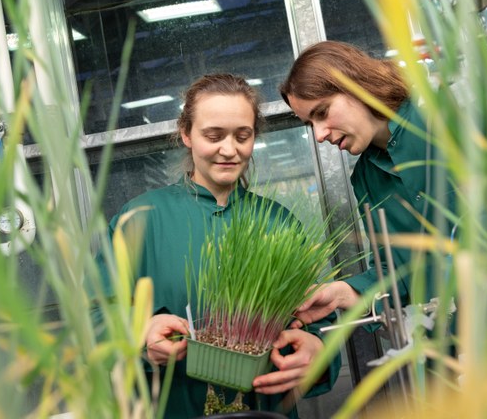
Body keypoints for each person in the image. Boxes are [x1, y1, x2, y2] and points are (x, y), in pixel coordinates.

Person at [106, 74, 340, 418]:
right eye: (213, 135)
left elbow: (318, 314)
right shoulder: (142, 218)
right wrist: (139, 334)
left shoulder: (278, 222)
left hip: (265, 409)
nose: (229, 150)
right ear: (186, 134)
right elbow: (96, 311)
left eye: (242, 136)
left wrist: (317, 347)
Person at [280, 41, 453, 329]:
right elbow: (395, 272)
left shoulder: (452, 123)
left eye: (322, 112)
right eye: (310, 124)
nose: (320, 135)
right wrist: (345, 293)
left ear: (358, 86)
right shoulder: (366, 178)